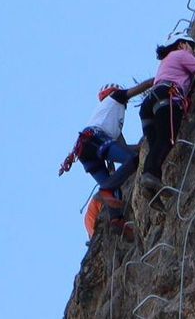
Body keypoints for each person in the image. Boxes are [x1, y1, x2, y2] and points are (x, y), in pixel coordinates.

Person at [60, 80, 153, 239]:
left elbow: (122, 149)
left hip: (86, 150)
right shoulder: (115, 97)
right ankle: (106, 191)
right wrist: (156, 80)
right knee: (132, 161)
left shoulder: (109, 120)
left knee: (114, 185)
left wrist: (142, 145)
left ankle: (116, 221)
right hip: (95, 138)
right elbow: (138, 89)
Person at [137, 34, 195, 196]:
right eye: (191, 47)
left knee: (156, 146)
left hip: (149, 104)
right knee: (166, 140)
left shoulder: (166, 62)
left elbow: (191, 80)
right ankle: (149, 177)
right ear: (182, 44)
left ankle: (150, 186)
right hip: (167, 96)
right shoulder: (181, 54)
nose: (192, 51)